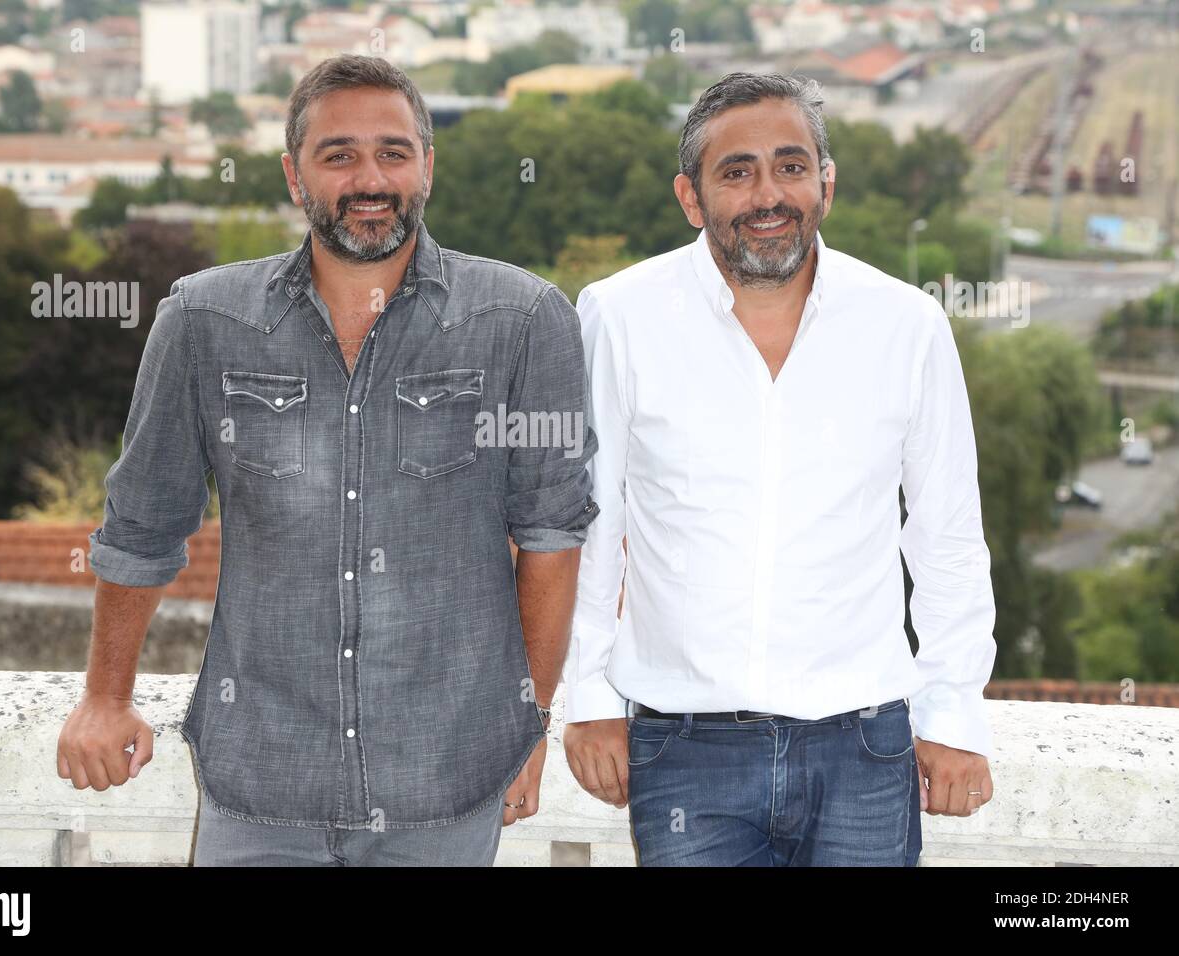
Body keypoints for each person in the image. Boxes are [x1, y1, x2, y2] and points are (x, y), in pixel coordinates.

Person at [57, 54, 598, 866]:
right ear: (293, 174)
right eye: (338, 154)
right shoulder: (203, 321)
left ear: (427, 166)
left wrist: (530, 718)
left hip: (447, 784)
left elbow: (551, 537)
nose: (369, 177)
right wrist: (105, 697)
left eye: (393, 151)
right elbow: (142, 528)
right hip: (261, 785)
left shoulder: (523, 320)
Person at [561, 72, 997, 866]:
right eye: (737, 172)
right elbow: (591, 523)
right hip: (681, 744)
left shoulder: (908, 325)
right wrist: (588, 697)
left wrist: (953, 716)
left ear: (825, 185)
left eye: (791, 167)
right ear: (691, 197)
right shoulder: (619, 316)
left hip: (866, 745)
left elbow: (947, 538)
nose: (769, 194)